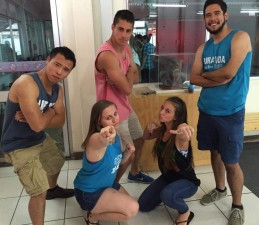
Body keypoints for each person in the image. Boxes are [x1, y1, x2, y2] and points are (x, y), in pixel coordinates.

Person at [190, 1, 252, 225]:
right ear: (204, 19)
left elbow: (229, 73)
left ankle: (237, 205)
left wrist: (209, 77)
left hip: (230, 113)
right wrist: (218, 77)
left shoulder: (240, 38)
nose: (212, 18)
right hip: (207, 110)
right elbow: (194, 78)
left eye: (216, 13)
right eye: (208, 15)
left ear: (225, 15)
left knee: (231, 161)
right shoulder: (203, 48)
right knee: (214, 153)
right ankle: (219, 188)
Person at [0, 46, 77, 225]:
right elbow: (38, 125)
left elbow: (61, 121)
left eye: (66, 69)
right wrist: (50, 113)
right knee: (38, 192)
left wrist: (43, 115)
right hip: (18, 144)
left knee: (56, 160)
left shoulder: (58, 90)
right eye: (56, 64)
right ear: (47, 60)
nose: (59, 72)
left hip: (39, 139)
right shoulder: (26, 83)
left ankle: (53, 189)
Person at [95, 9, 154, 184]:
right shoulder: (107, 55)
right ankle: (111, 185)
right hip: (112, 113)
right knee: (128, 152)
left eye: (128, 31)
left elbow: (136, 77)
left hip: (126, 108)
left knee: (139, 140)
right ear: (112, 27)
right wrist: (127, 77)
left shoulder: (127, 48)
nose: (124, 35)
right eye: (120, 29)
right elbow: (128, 88)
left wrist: (125, 76)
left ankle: (134, 172)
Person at [74, 100, 139, 225]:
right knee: (132, 209)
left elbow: (118, 163)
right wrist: (103, 137)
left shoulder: (117, 135)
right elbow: (100, 140)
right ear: (99, 121)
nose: (115, 120)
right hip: (88, 192)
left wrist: (128, 153)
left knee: (128, 203)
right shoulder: (94, 140)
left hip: (106, 185)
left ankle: (96, 208)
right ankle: (92, 217)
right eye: (109, 118)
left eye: (115, 114)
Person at [138, 97, 200, 225]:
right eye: (162, 108)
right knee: (143, 205)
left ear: (176, 117)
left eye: (167, 111)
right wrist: (147, 128)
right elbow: (146, 136)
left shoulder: (180, 136)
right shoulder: (162, 130)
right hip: (168, 177)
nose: (161, 112)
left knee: (167, 195)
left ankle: (185, 212)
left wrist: (184, 129)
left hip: (187, 181)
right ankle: (170, 192)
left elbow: (184, 135)